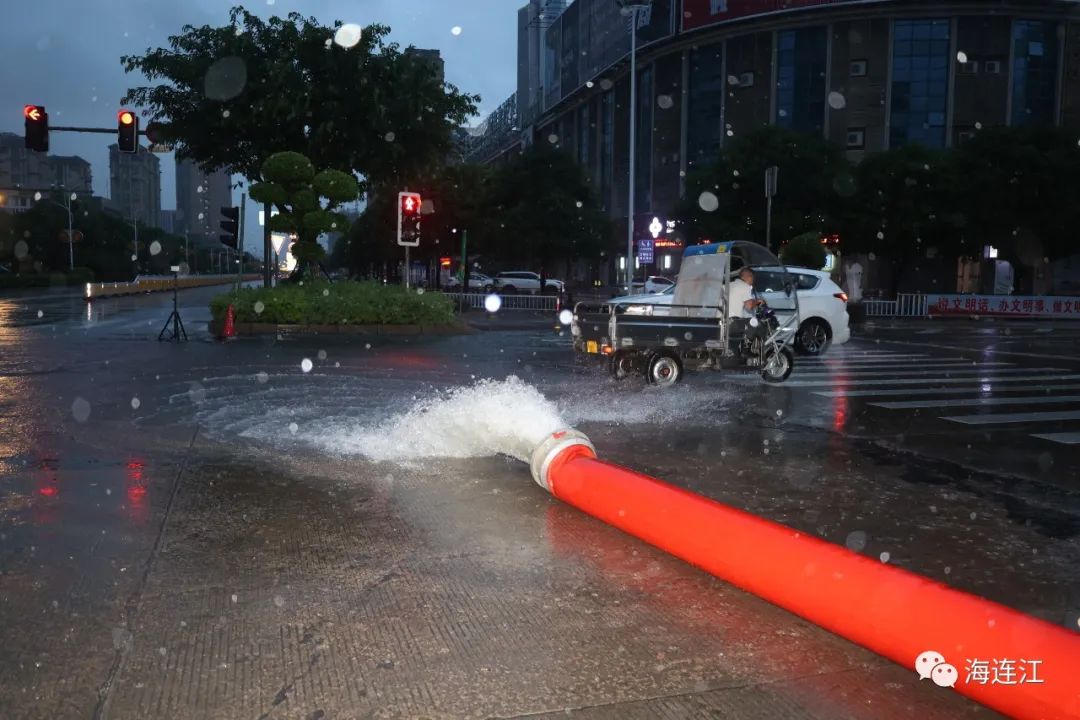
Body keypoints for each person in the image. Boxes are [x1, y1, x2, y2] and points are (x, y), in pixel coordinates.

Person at [727, 266, 765, 352]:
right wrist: (758, 302)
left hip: (723, 322)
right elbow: (749, 306)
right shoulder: (744, 286)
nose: (752, 282)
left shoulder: (730, 285)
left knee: (747, 321)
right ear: (749, 277)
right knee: (756, 323)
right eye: (753, 279)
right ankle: (746, 349)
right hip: (733, 322)